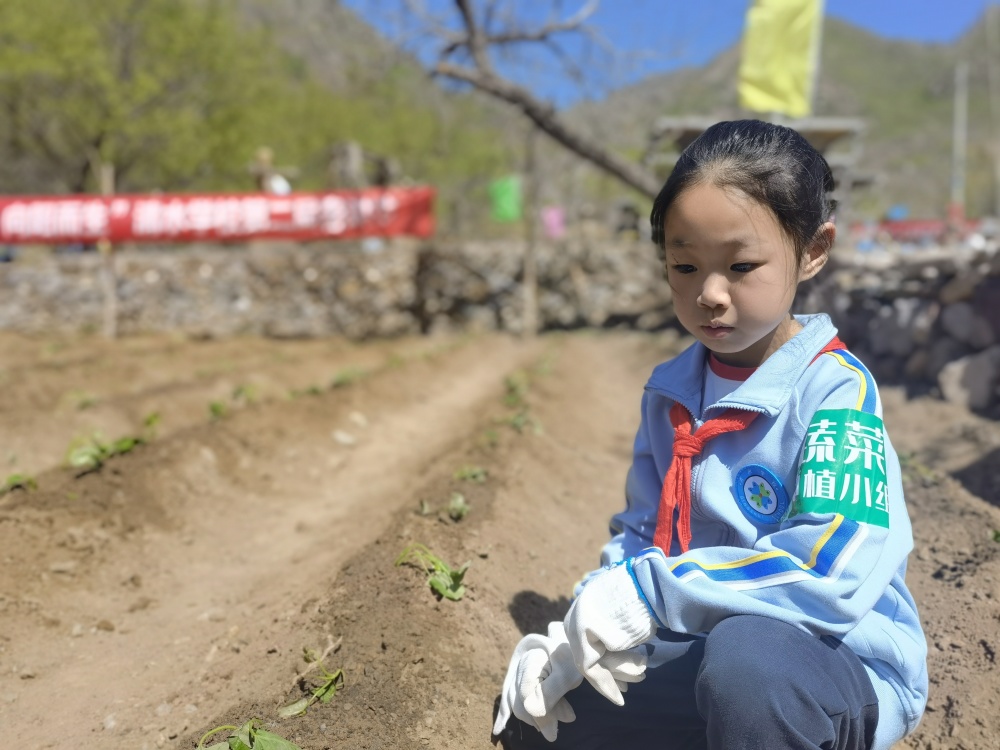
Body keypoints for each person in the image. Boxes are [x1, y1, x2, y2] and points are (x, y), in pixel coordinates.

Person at [492, 120, 928, 750]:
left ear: (813, 249)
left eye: (742, 266)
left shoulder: (836, 393)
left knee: (748, 663)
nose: (710, 294)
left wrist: (651, 596)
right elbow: (643, 531)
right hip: (701, 646)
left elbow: (828, 571)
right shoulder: (671, 391)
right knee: (546, 718)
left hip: (827, 663)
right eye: (684, 266)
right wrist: (581, 627)